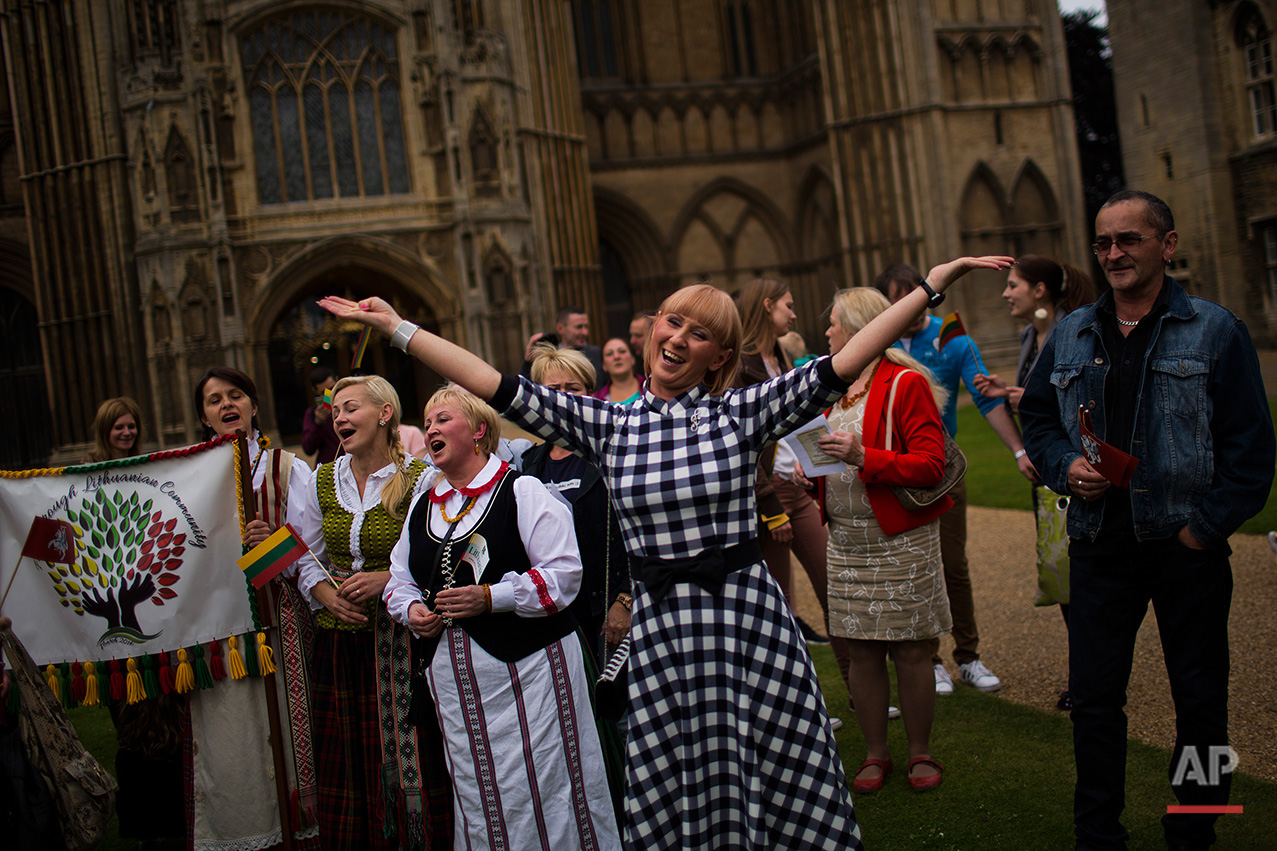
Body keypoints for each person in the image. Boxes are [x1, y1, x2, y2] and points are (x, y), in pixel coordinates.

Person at [319, 251, 1011, 850]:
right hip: (663, 631)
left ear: (718, 353)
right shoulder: (608, 425)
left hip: (745, 622)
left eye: (699, 332)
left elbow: (844, 360)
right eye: (672, 321)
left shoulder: (743, 411)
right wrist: (398, 329)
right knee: (681, 780)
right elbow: (492, 383)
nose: (677, 338)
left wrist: (931, 286)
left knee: (773, 768)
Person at [1019, 189, 1275, 851]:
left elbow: (1251, 450)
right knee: (1095, 702)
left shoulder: (1215, 329)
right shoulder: (1073, 330)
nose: (1112, 254)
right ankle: (1096, 833)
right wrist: (1063, 468)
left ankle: (1193, 830)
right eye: (1103, 241)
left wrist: (1203, 529)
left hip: (1184, 548)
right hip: (1099, 544)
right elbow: (1040, 420)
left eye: (1128, 239)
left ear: (1166, 245)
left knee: (1200, 702)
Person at [383, 384, 621, 850]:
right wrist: (412, 609)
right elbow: (398, 578)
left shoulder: (523, 490)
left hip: (533, 675)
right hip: (456, 685)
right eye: (427, 421)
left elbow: (563, 574)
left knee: (550, 787)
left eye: (443, 419)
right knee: (478, 793)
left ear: (479, 431)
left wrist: (493, 597)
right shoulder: (422, 504)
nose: (430, 428)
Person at [295, 375, 448, 850]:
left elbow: (441, 554)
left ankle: (412, 839)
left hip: (401, 642)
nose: (339, 417)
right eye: (335, 410)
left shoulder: (422, 478)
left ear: (385, 414)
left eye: (350, 407)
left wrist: (388, 580)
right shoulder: (322, 478)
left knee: (410, 751)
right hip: (339, 640)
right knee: (347, 759)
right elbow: (304, 552)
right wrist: (324, 594)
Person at [817, 287, 952, 793]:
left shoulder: (904, 383)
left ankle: (920, 751)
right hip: (847, 541)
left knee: (913, 650)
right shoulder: (834, 386)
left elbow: (931, 465)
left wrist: (862, 455)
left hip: (901, 539)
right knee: (862, 651)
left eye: (834, 323)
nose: (827, 332)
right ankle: (876, 754)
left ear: (857, 328)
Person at [875, 263, 1029, 696]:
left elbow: (983, 395)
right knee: (912, 569)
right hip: (893, 474)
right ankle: (932, 659)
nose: (914, 307)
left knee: (953, 565)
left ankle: (969, 657)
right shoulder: (877, 340)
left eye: (920, 296)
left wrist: (1018, 450)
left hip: (941, 472)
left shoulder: (949, 335)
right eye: (901, 299)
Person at [190, 366, 319, 850]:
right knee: (232, 737)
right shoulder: (191, 480)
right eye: (214, 400)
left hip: (280, 617)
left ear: (253, 405)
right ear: (203, 415)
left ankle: (300, 827)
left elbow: (314, 552)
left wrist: (274, 545)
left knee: (286, 727)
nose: (226, 405)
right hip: (219, 623)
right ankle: (242, 830)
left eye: (235, 395)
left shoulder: (286, 467)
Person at [974, 254, 1096, 711]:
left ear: (1040, 291)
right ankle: (1086, 674)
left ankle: (1091, 680)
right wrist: (1009, 390)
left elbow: (1085, 400)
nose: (1006, 293)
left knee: (1083, 574)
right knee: (1062, 573)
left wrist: (1028, 398)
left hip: (1077, 468)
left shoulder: (1073, 331)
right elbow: (1039, 397)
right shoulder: (1032, 335)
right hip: (1046, 470)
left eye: (1013, 285)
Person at [733, 278, 841, 655]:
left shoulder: (780, 357)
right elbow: (740, 443)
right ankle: (799, 710)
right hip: (768, 500)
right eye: (788, 306)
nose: (794, 314)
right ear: (766, 306)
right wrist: (771, 509)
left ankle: (860, 698)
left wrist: (819, 467)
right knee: (779, 610)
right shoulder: (738, 364)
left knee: (834, 591)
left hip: (796, 488)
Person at [521, 305, 606, 391]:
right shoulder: (547, 360)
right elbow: (523, 391)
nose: (585, 332)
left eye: (586, 327)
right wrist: (528, 362)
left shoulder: (599, 354)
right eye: (579, 327)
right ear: (560, 328)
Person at [301, 366, 341, 465]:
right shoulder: (313, 414)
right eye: (324, 392)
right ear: (315, 391)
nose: (330, 394)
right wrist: (318, 423)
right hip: (330, 467)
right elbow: (308, 449)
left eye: (332, 389)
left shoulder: (353, 406)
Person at [85, 396, 143, 462]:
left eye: (131, 426)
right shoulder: (89, 469)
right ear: (104, 431)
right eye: (119, 428)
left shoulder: (146, 464)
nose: (127, 433)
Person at [593, 337, 643, 403]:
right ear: (604, 366)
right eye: (609, 354)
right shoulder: (597, 400)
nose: (616, 357)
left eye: (622, 351)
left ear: (633, 359)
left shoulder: (651, 387)